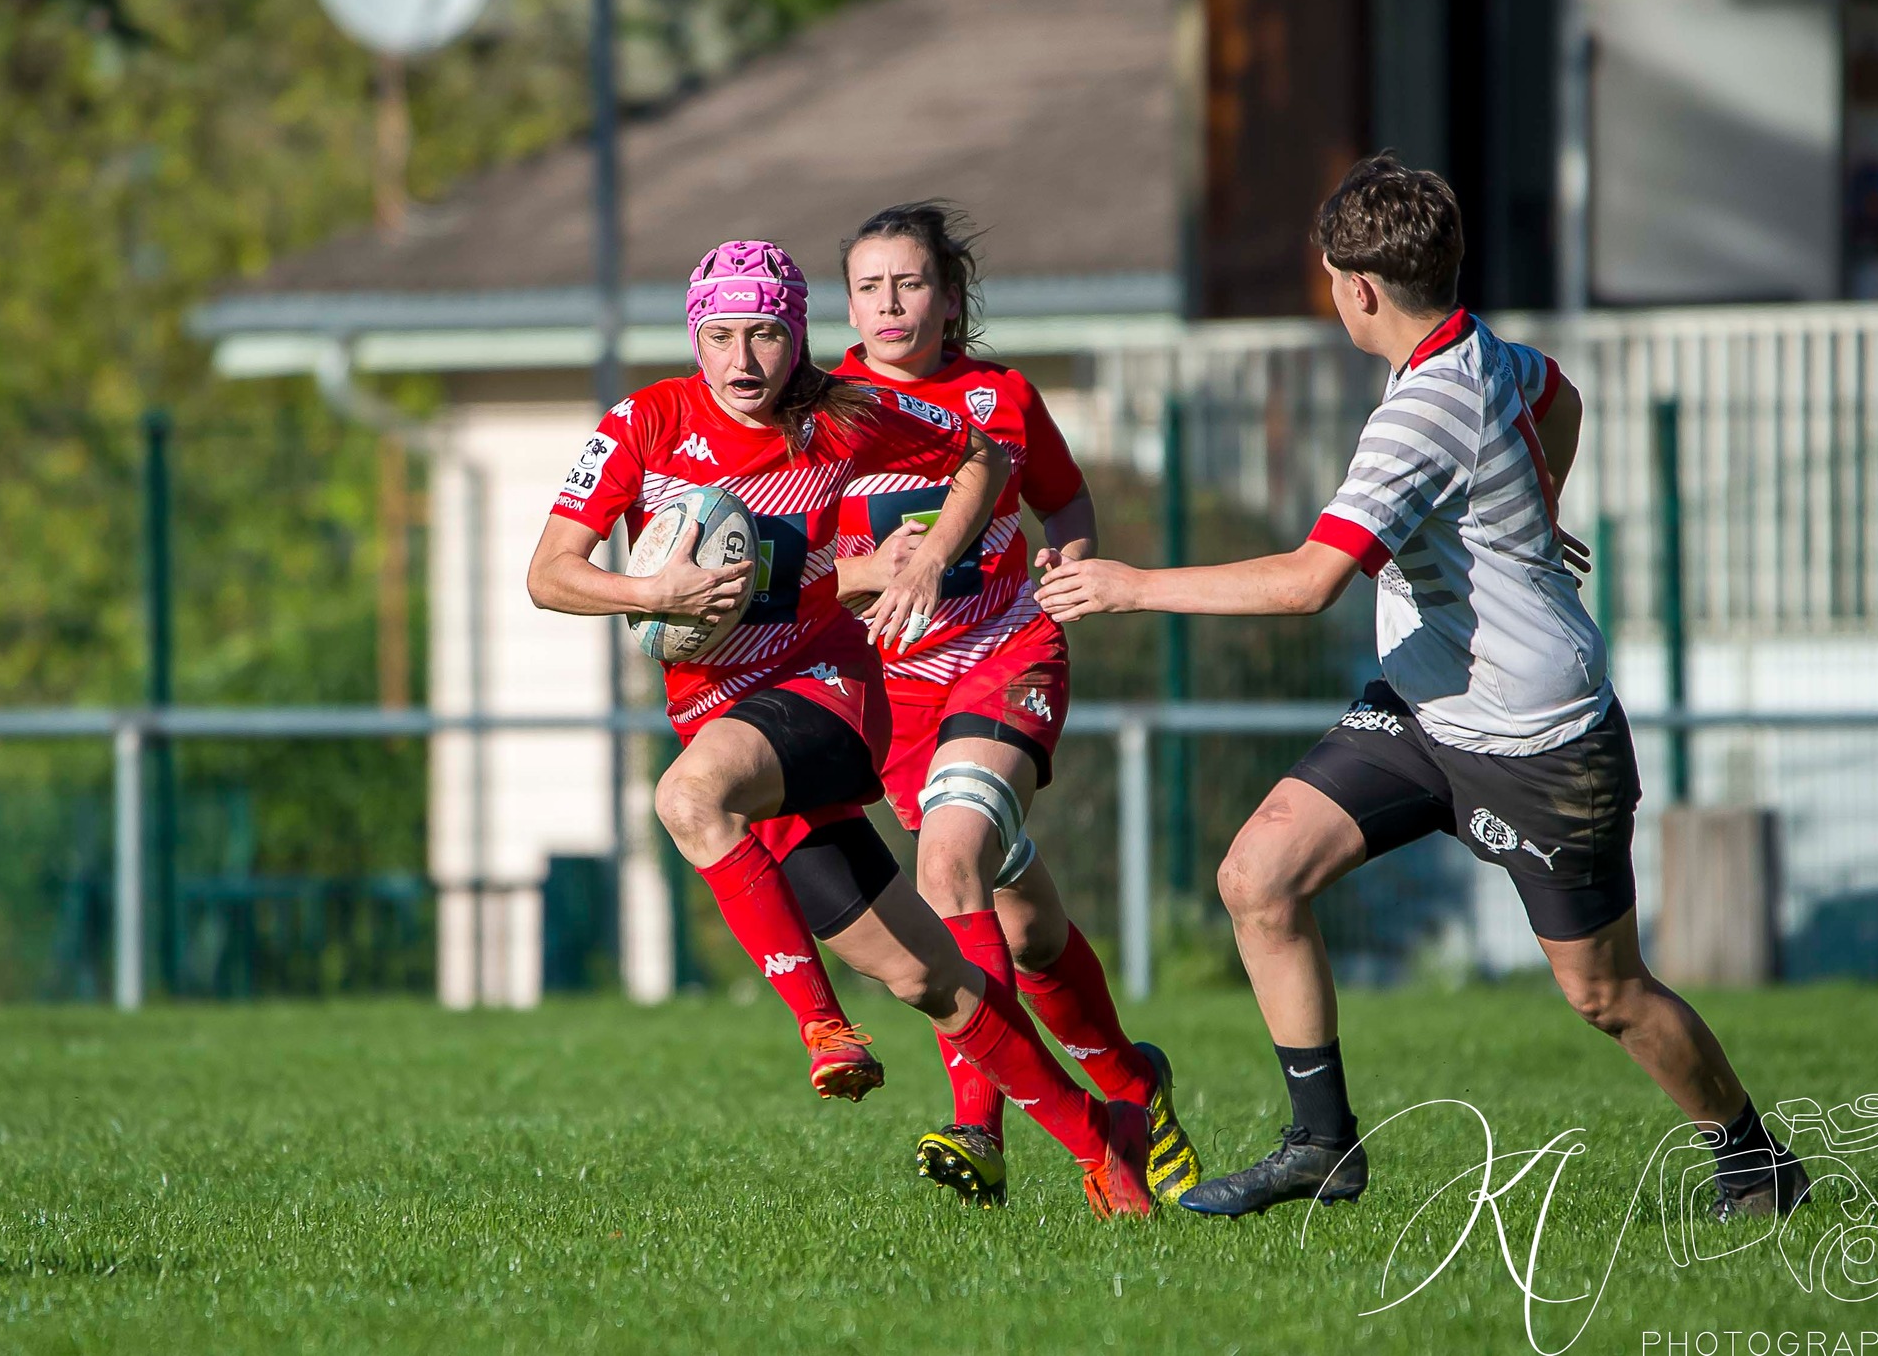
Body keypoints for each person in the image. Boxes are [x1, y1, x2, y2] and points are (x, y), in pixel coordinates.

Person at [1037, 156, 1811, 1223]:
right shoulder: (1478, 349)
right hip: (1419, 705)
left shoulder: (1418, 415)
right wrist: (1531, 509)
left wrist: (1128, 586)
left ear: (1353, 288)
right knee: (1258, 876)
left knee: (1605, 993)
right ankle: (1320, 1144)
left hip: (1539, 739)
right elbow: (1559, 394)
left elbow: (1310, 581)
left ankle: (1751, 1155)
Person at [527, 239, 1155, 1219]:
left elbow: (981, 454)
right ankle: (1099, 1140)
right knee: (929, 977)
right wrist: (649, 590)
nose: (742, 360)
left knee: (685, 793)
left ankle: (822, 1029)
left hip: (823, 692)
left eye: (766, 333)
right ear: (694, 333)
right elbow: (550, 571)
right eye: (721, 335)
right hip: (727, 725)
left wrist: (931, 551)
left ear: (798, 333)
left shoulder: (843, 410)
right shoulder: (644, 422)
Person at [831, 202, 1203, 1208]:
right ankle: (1131, 1088)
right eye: (868, 286)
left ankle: (977, 1127)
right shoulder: (821, 413)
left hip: (1005, 654)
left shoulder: (994, 397)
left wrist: (1067, 556)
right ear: (849, 304)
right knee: (1018, 920)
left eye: (909, 282)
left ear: (950, 301)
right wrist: (865, 570)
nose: (889, 302)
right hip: (898, 696)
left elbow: (1063, 498)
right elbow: (808, 571)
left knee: (946, 860)